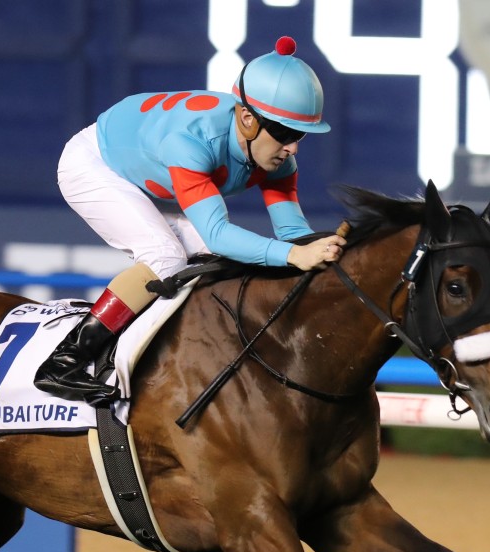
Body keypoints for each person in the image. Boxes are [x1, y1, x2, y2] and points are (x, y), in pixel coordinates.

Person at [35, 35, 347, 406]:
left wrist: (325, 250)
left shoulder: (279, 160)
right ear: (247, 119)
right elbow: (218, 234)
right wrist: (296, 256)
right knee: (165, 256)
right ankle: (63, 362)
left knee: (218, 262)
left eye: (299, 136)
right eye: (284, 134)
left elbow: (294, 235)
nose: (293, 148)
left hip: (149, 170)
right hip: (95, 164)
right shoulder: (192, 142)